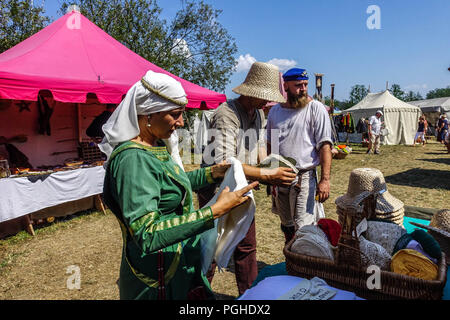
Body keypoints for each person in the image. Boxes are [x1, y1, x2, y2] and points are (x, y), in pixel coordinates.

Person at [99, 70, 259, 300]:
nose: (181, 122)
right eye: (175, 114)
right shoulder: (133, 160)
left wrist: (212, 173)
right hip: (155, 280)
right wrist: (214, 211)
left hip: (174, 266)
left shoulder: (154, 146)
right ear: (147, 116)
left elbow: (171, 183)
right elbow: (147, 233)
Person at [198, 61, 297, 295]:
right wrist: (266, 174)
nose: (267, 102)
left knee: (247, 247)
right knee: (209, 247)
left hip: (242, 187)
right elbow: (224, 163)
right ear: (251, 92)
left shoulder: (259, 115)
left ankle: (251, 296)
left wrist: (272, 167)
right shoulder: (226, 115)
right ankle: (197, 295)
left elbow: (260, 146)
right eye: (264, 97)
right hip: (216, 190)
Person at [265, 68, 333, 243]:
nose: (303, 89)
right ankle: (292, 260)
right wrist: (269, 176)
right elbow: (271, 145)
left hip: (304, 177)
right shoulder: (275, 112)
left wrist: (325, 180)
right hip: (280, 177)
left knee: (303, 227)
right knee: (286, 224)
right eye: (298, 85)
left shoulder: (315, 109)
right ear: (285, 86)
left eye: (305, 85)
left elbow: (325, 145)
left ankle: (304, 265)